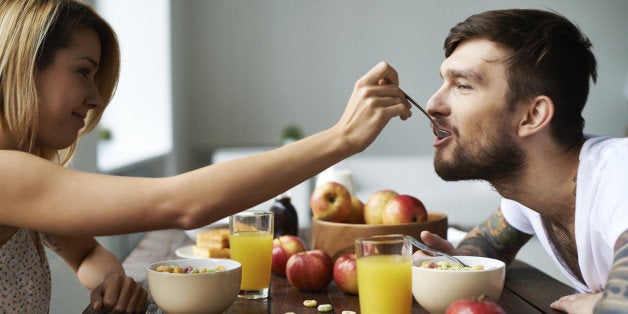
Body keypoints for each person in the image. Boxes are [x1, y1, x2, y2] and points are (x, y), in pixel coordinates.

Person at [0, 1, 412, 312]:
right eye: (84, 71)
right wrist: (341, 137)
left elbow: (86, 253)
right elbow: (182, 204)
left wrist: (111, 280)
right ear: (23, 66)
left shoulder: (26, 174)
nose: (96, 98)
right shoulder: (7, 175)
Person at [413, 8, 628, 314]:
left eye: (463, 85)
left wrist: (599, 305)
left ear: (532, 116)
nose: (432, 104)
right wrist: (455, 265)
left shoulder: (620, 173)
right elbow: (487, 244)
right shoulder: (532, 187)